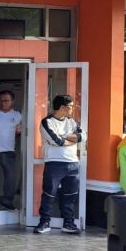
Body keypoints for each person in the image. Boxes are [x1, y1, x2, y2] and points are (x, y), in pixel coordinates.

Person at [35, 95, 83, 234]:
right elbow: (56, 141)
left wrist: (64, 137)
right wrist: (70, 139)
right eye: (71, 106)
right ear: (62, 107)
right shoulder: (47, 122)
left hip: (73, 163)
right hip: (54, 163)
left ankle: (68, 223)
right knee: (49, 194)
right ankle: (44, 222)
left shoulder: (72, 122)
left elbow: (82, 136)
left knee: (70, 195)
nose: (73, 109)